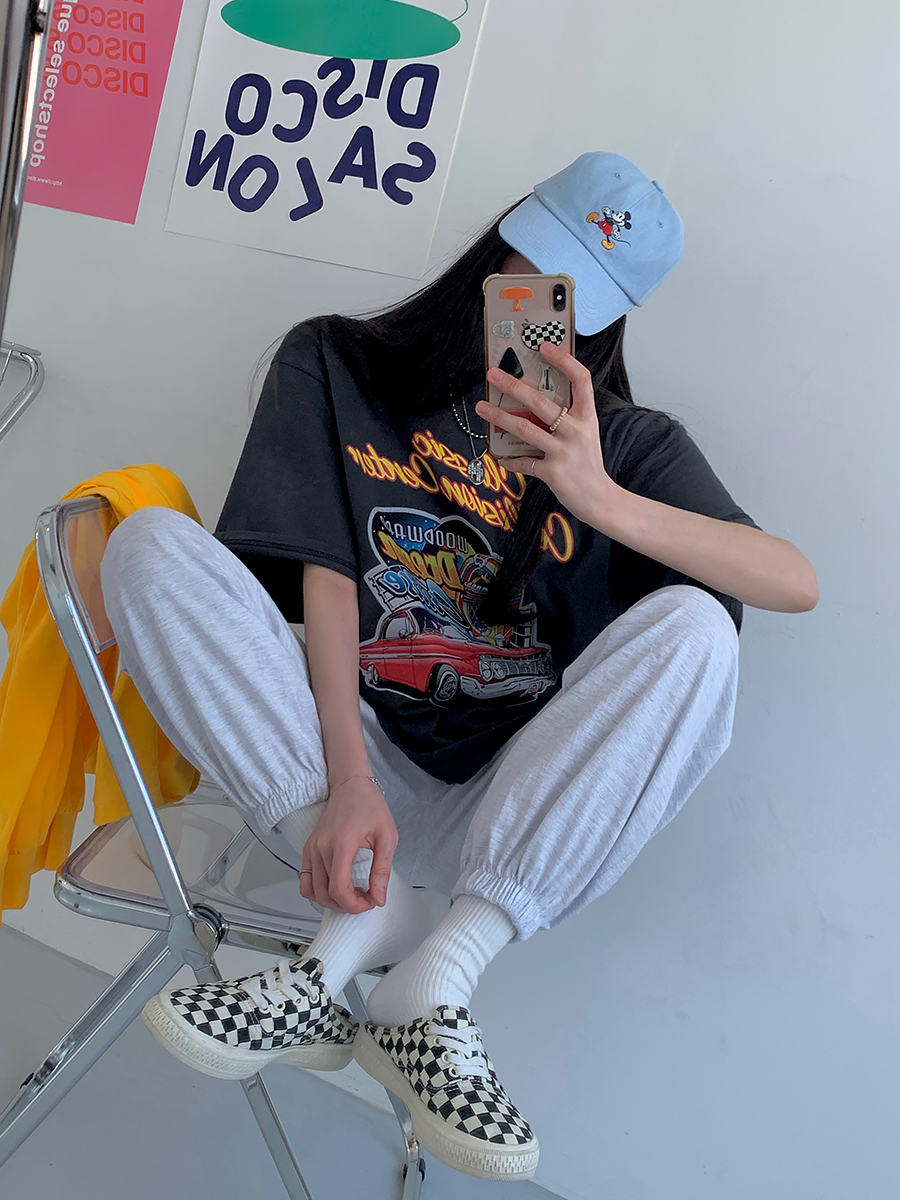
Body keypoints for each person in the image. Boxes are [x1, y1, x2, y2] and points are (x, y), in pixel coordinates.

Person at [99, 152, 818, 1182]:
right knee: (147, 548)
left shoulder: (625, 446)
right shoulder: (337, 361)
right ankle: (370, 916)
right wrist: (349, 781)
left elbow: (793, 581)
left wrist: (599, 495)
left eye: (577, 301)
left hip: (508, 805)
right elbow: (327, 576)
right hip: (333, 761)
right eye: (539, 270)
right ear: (504, 239)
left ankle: (435, 971)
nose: (543, 315)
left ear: (612, 318)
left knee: (702, 628)